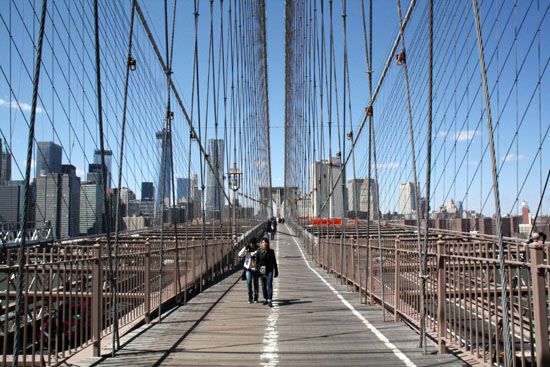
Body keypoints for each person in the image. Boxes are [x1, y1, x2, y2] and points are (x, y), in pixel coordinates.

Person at [256, 237, 278, 307]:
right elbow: (257, 262)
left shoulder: (271, 251)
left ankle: (269, 300)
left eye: (266, 242)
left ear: (268, 244)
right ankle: (265, 298)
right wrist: (257, 270)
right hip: (262, 270)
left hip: (269, 269)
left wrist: (276, 270)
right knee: (263, 285)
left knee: (269, 284)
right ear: (261, 244)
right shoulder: (258, 251)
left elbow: (274, 261)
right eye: (263, 242)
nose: (264, 243)